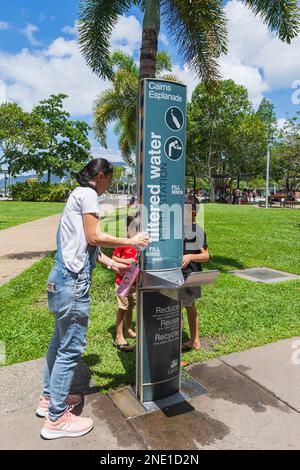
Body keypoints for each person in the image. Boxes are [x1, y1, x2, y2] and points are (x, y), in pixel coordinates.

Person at [37, 158, 149, 440]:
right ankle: (56, 420)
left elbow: (85, 246)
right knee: (70, 349)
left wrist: (113, 265)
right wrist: (131, 242)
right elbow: (94, 236)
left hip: (59, 279)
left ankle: (49, 399)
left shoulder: (74, 195)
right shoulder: (88, 194)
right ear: (100, 175)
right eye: (109, 180)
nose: (109, 186)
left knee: (57, 343)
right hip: (72, 284)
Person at [182, 194, 209, 350]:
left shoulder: (196, 231)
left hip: (190, 276)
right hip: (178, 274)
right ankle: (179, 338)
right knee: (177, 308)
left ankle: (195, 340)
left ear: (193, 212)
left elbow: (205, 256)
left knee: (190, 307)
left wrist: (190, 256)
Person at [112, 215, 139, 352]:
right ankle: (119, 335)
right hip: (122, 281)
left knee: (130, 306)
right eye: (133, 228)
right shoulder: (123, 243)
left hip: (134, 283)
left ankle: (128, 329)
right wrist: (126, 262)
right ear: (127, 229)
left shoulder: (140, 245)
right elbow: (114, 257)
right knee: (123, 307)